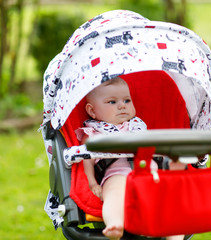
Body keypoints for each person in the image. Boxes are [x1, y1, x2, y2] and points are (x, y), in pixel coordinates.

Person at [75, 77, 185, 240]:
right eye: (112, 102)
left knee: (167, 201)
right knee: (113, 195)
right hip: (117, 174)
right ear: (92, 111)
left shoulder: (138, 126)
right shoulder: (93, 133)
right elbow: (87, 158)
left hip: (149, 173)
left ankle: (175, 236)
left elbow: (155, 147)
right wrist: (92, 182)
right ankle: (115, 223)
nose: (122, 105)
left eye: (127, 100)